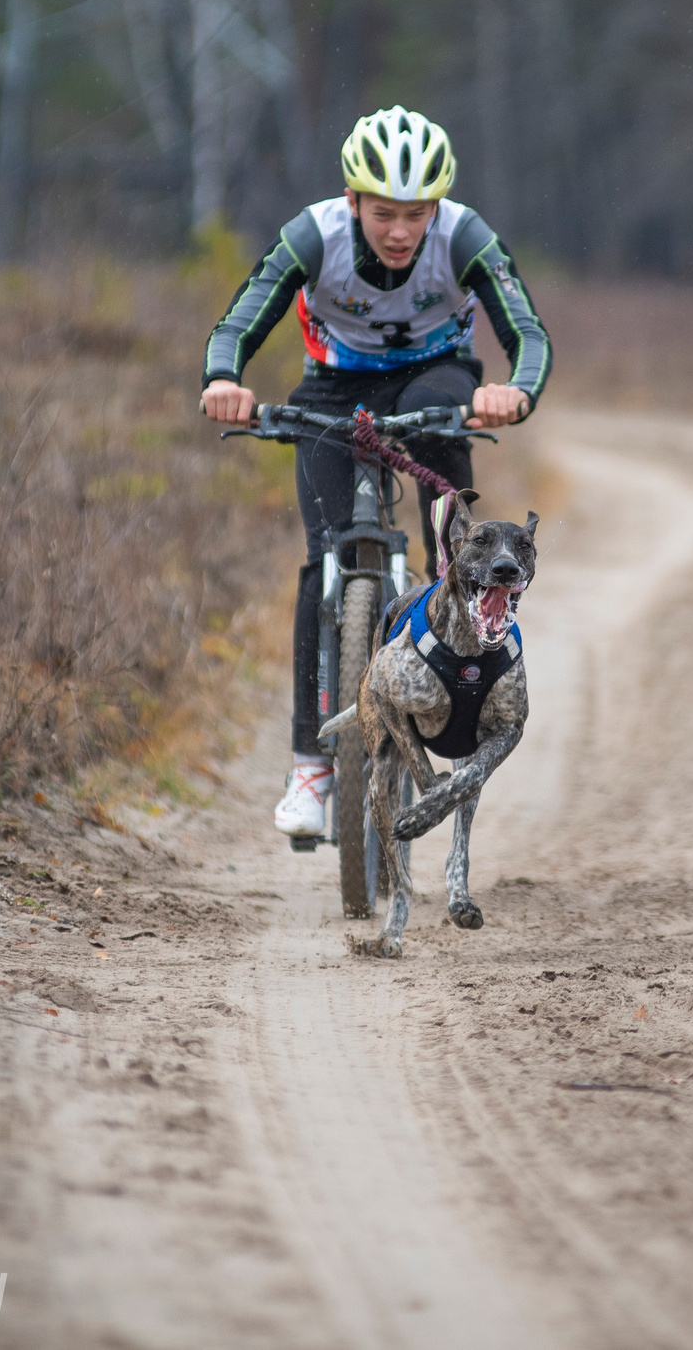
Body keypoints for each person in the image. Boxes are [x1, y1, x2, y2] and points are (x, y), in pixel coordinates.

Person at [199, 106, 551, 839]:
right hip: (333, 390)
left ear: (436, 207)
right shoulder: (314, 234)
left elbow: (527, 329)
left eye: (414, 214)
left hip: (438, 382)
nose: (399, 230)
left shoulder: (463, 236)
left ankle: (455, 660)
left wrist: (514, 388)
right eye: (384, 212)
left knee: (440, 467)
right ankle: (311, 768)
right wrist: (224, 376)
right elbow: (241, 318)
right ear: (353, 200)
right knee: (320, 560)